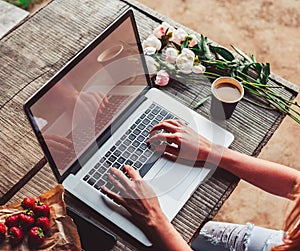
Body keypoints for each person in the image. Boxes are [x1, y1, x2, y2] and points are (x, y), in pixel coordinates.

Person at [101, 119, 300, 251]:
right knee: (204, 235)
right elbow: (295, 184)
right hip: (278, 243)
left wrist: (154, 219)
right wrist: (212, 151)